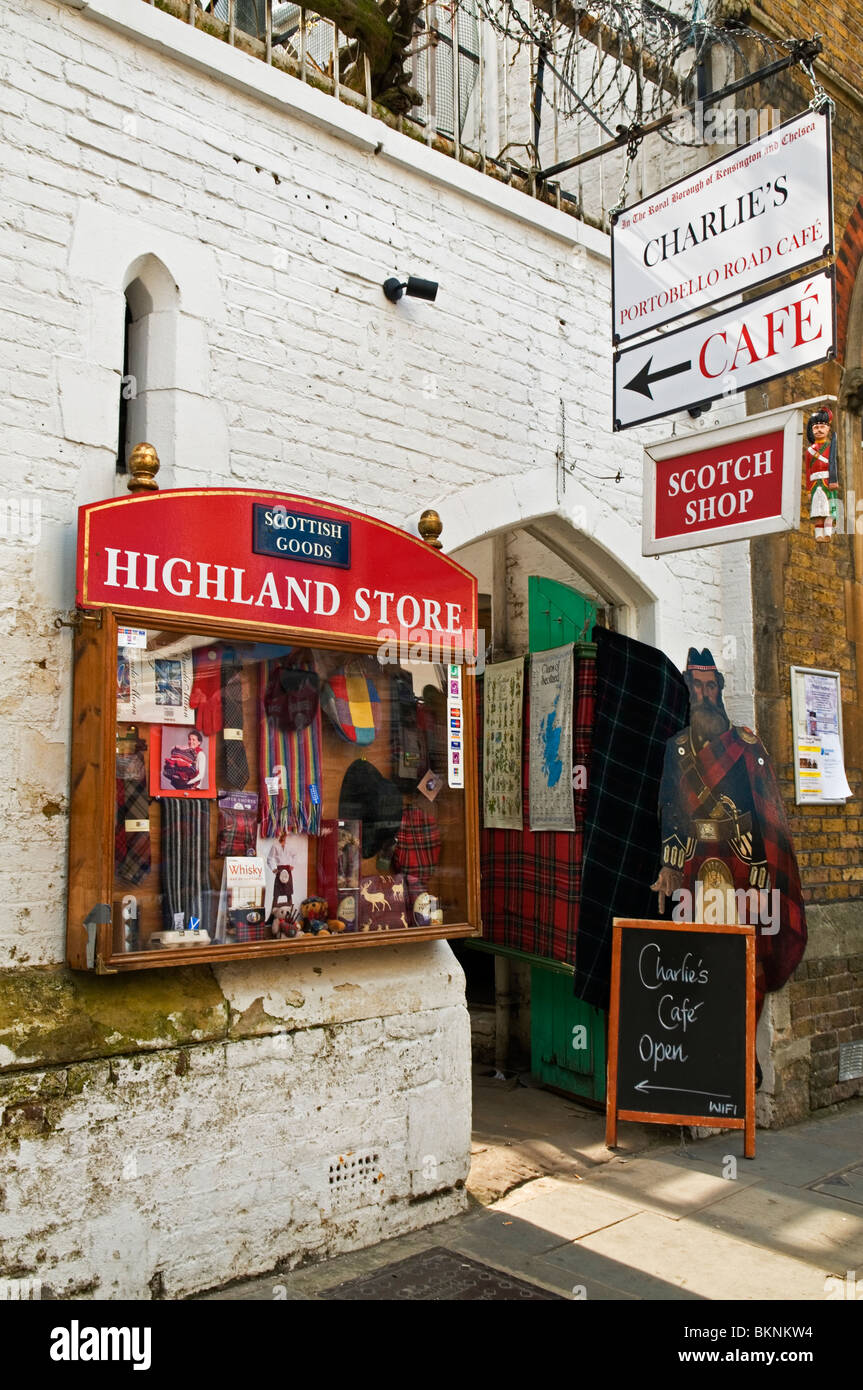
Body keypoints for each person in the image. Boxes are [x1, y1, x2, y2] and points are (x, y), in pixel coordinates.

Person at [651, 648, 807, 1023]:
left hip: (743, 866)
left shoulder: (746, 745)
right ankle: (704, 1038)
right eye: (697, 688)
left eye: (710, 687)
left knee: (746, 956)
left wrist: (763, 865)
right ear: (687, 692)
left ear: (718, 690)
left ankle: (742, 1053)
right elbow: (671, 809)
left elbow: (767, 813)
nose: (704, 695)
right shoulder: (678, 749)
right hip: (694, 868)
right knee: (697, 954)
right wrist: (669, 867)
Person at [806, 406, 839, 541]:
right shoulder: (809, 451)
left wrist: (834, 480)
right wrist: (808, 489)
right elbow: (808, 470)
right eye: (816, 427)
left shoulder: (831, 447)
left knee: (828, 510)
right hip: (815, 483)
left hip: (827, 482)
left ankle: (828, 533)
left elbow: (833, 464)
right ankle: (818, 534)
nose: (819, 430)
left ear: (827, 429)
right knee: (818, 511)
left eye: (822, 427)